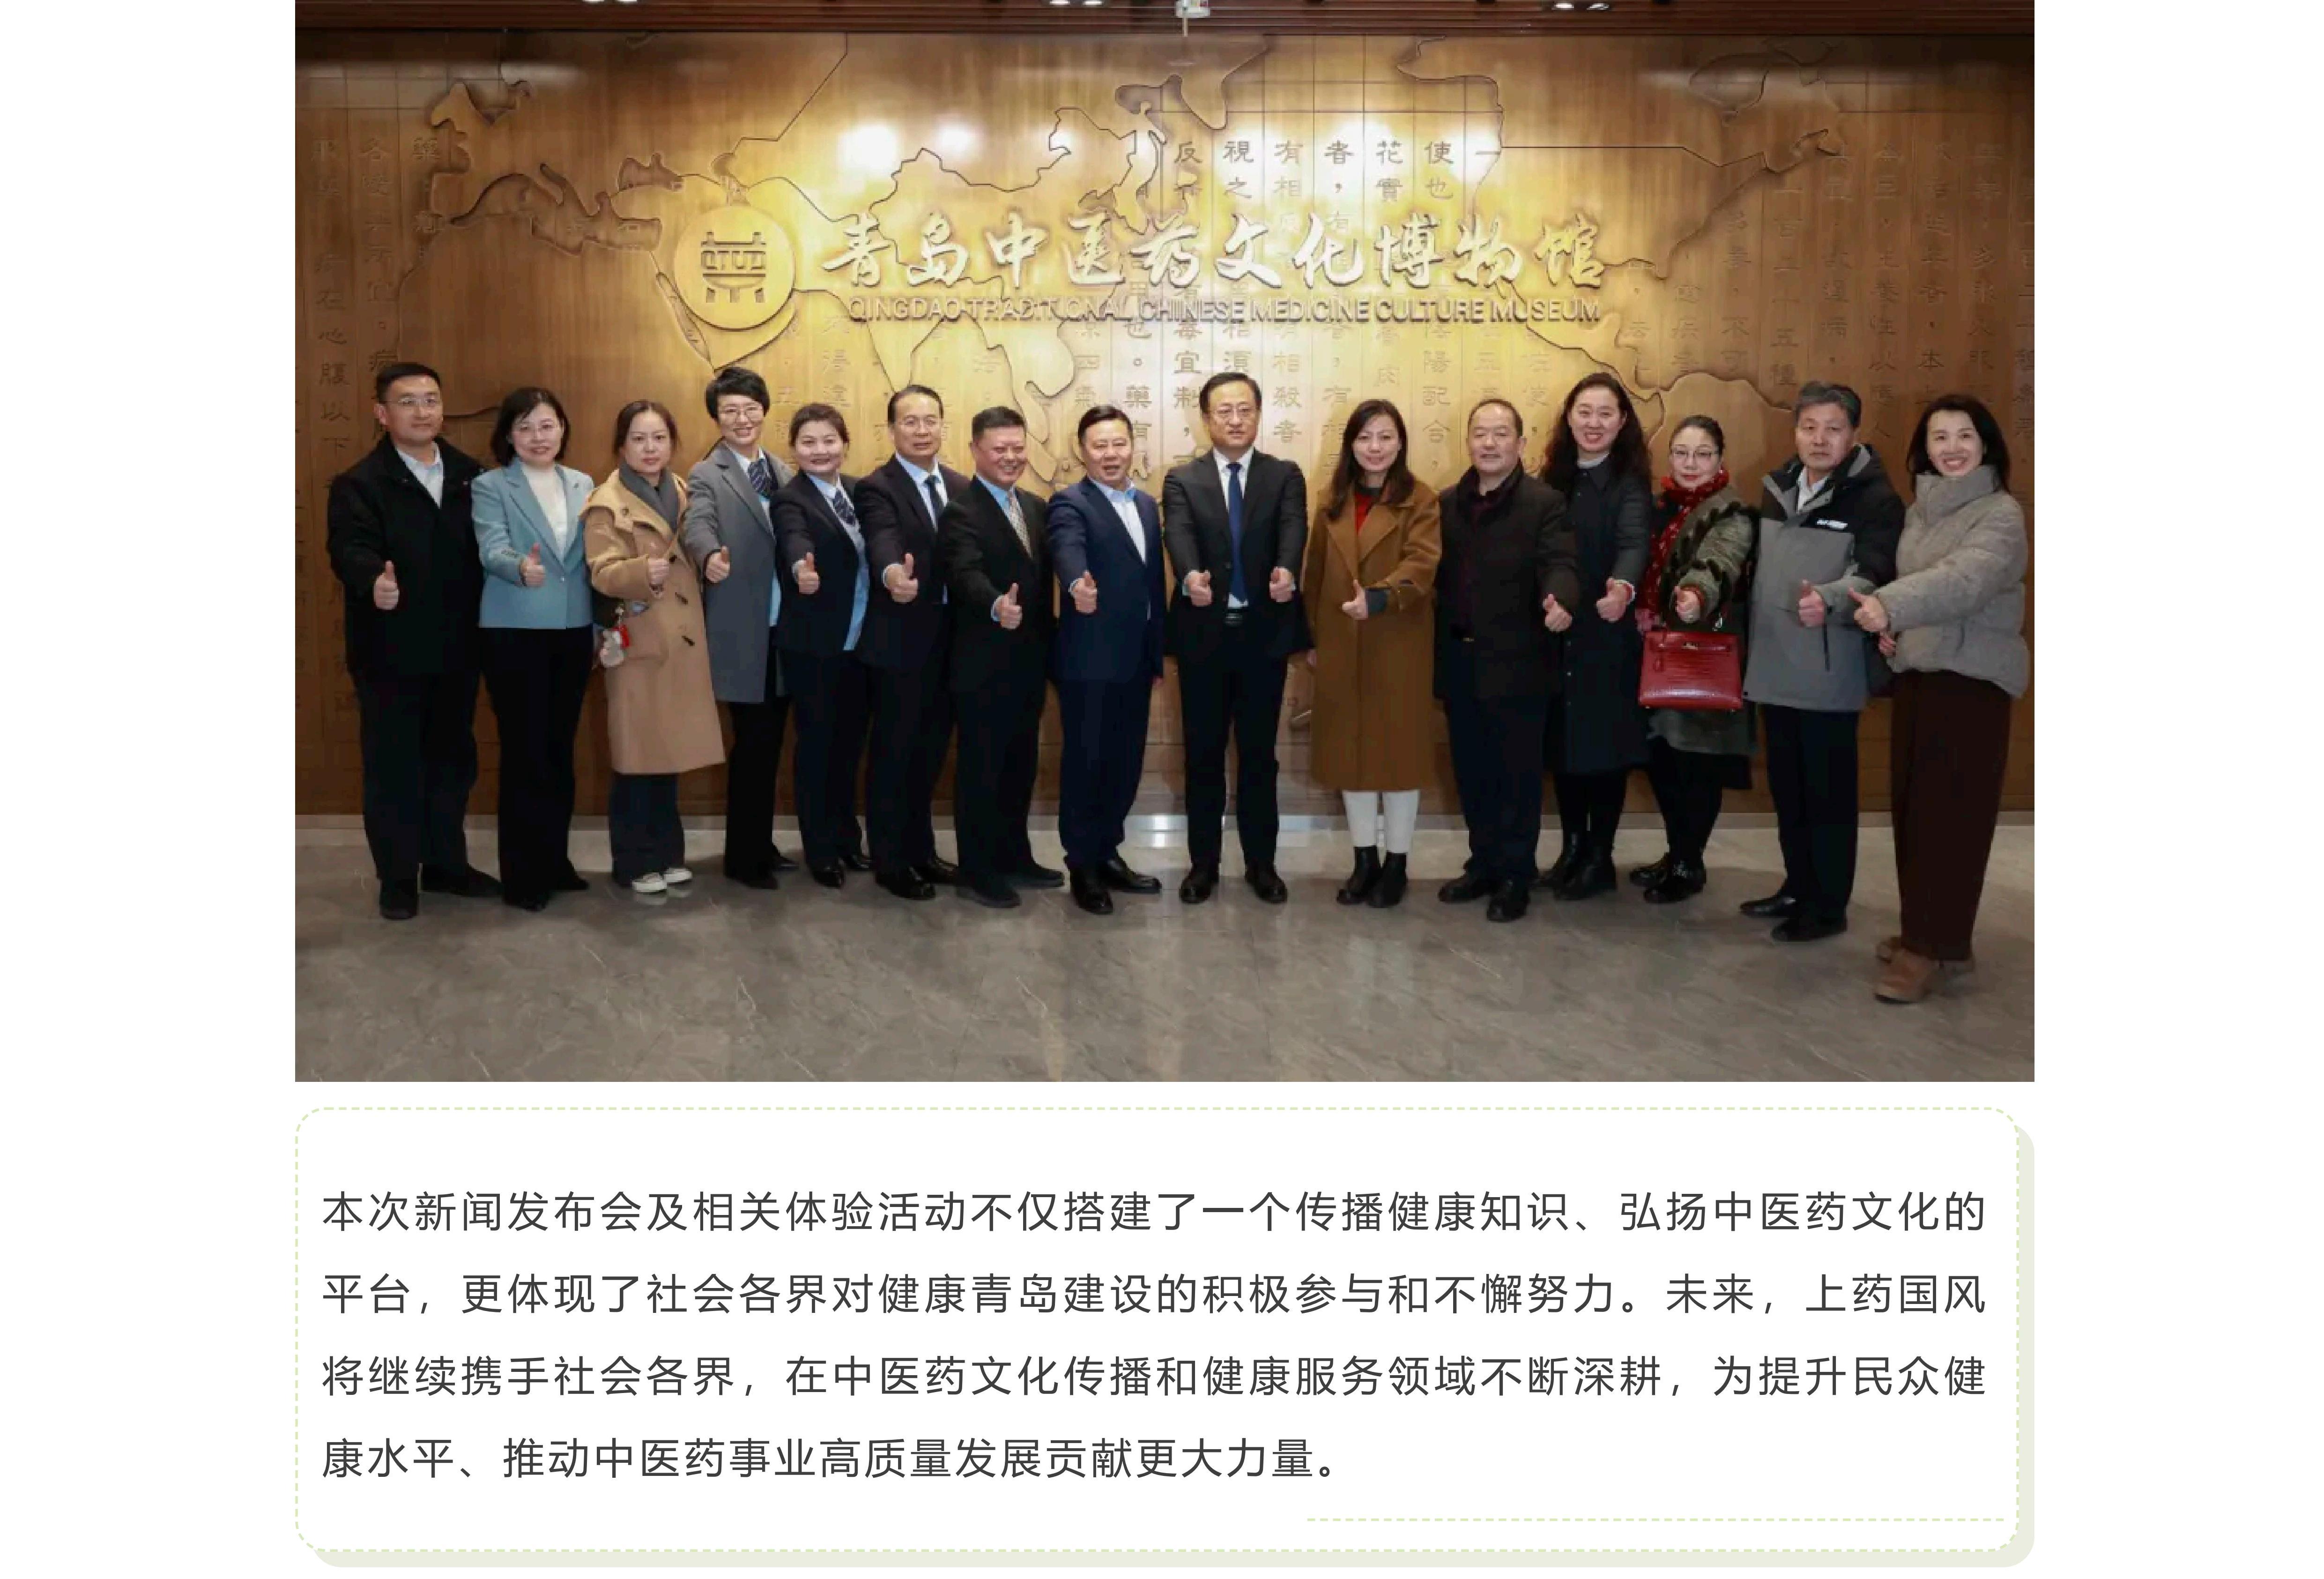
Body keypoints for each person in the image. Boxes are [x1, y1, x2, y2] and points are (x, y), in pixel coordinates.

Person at [1846, 394, 2027, 1002]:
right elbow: (1917, 584)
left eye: (1964, 436)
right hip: (1921, 674)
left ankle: (1930, 948)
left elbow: (1964, 581)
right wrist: (1896, 631)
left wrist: (1890, 606)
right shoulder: (1922, 510)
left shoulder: (2000, 513)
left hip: (1971, 683)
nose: (1951, 448)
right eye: (1939, 437)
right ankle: (1932, 934)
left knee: (1953, 819)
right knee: (1915, 811)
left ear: (1986, 444)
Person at [325, 361, 498, 921]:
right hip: (389, 650)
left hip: (457, 647)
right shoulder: (360, 483)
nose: (422, 411)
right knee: (394, 766)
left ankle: (446, 865)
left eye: (430, 400)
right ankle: (398, 877)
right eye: (407, 401)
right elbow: (348, 548)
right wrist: (371, 580)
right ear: (382, 413)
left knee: (453, 760)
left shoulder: (471, 476)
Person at [1740, 381, 1905, 942]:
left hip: (1829, 667)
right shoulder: (1777, 487)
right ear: (1795, 432)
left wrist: (1831, 599)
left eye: (1833, 429)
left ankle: (1827, 905)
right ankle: (1796, 886)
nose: (1819, 439)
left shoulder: (1874, 499)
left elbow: (1875, 570)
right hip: (1774, 663)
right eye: (1809, 427)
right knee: (1788, 788)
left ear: (1853, 434)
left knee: (1827, 795)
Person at [1162, 373, 1311, 905]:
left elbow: (1294, 527)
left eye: (1244, 409)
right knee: (1203, 755)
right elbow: (1177, 532)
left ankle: (1260, 864)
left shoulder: (1283, 474)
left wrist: (1287, 569)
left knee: (1258, 757)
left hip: (1262, 638)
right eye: (1223, 411)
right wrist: (1189, 575)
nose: (1234, 419)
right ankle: (1203, 865)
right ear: (1206, 419)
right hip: (1203, 638)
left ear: (1258, 414)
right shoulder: (1182, 479)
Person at [1433, 399, 1581, 923]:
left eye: (1500, 433)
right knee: (1471, 773)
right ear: (1468, 441)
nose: (1489, 443)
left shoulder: (1545, 503)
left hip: (1519, 664)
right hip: (1460, 662)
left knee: (1517, 777)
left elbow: (1561, 563)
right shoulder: (1446, 503)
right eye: (1480, 433)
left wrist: (1560, 599)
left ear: (1520, 443)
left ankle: (1516, 874)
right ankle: (1483, 864)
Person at [1299, 399, 1441, 909]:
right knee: (1350, 757)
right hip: (1341, 643)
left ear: (1400, 443)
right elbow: (1315, 573)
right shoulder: (1332, 500)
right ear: (1351, 445)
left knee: (1397, 759)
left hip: (1398, 643)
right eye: (1364, 438)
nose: (1375, 447)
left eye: (1385, 437)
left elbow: (1422, 565)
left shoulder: (1420, 500)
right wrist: (1312, 638)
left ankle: (1396, 864)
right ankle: (1364, 861)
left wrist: (1378, 599)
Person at [584, 400, 726, 894]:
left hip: (681, 641)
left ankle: (668, 855)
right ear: (621, 446)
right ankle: (633, 862)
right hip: (639, 641)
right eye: (639, 439)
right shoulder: (606, 503)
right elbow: (601, 572)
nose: (650, 448)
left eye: (659, 438)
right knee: (635, 757)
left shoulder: (684, 491)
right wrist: (640, 572)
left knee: (667, 755)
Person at [471, 386, 597, 911]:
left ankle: (555, 861)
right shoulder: (491, 485)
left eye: (547, 425)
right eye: (524, 427)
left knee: (559, 751)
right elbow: (491, 547)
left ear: (563, 428)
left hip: (573, 630)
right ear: (508, 435)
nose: (537, 437)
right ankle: (523, 876)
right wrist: (518, 567)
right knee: (525, 754)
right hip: (515, 631)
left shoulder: (583, 483)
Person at [1630, 415, 1758, 905]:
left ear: (1720, 459)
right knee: (1664, 760)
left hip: (1702, 656)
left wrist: (1694, 595)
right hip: (1660, 655)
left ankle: (1689, 863)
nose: (1690, 463)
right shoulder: (1661, 507)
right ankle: (1676, 852)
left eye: (1702, 454)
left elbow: (1718, 560)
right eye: (1681, 453)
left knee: (1696, 765)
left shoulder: (1730, 511)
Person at [1047, 405, 1168, 915]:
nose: (1111, 454)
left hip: (1136, 660)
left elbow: (1150, 582)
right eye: (1099, 445)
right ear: (1083, 451)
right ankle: (1082, 865)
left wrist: (1156, 653)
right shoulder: (1069, 502)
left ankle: (1107, 851)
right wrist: (1077, 582)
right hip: (1089, 660)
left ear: (1132, 447)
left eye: (1119, 443)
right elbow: (1066, 547)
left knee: (1124, 762)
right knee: (1087, 762)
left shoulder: (1146, 504)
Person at [679, 365, 797, 891]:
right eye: (730, 411)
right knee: (752, 747)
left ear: (764, 411)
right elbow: (697, 522)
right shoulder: (709, 472)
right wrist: (708, 557)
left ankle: (760, 844)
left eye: (750, 409)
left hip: (784, 630)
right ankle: (743, 858)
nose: (742, 419)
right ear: (716, 418)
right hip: (743, 631)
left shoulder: (783, 470)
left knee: (770, 747)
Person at [938, 407, 1059, 909]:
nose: (1010, 457)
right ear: (975, 451)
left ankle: (1014, 856)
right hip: (982, 664)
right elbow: (963, 573)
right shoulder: (960, 511)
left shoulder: (1034, 506)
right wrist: (994, 604)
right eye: (999, 449)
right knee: (981, 769)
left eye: (1017, 448)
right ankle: (978, 870)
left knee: (1019, 766)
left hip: (1029, 663)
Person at [852, 385, 970, 900]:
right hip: (900, 642)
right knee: (894, 754)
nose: (921, 431)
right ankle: (891, 861)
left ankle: (922, 851)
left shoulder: (962, 485)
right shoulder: (877, 488)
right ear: (892, 430)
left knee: (930, 754)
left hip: (952, 643)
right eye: (910, 422)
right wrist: (891, 575)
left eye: (930, 420)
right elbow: (882, 540)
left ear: (942, 425)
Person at [1537, 372, 1651, 901]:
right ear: (1568, 417)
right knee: (1564, 748)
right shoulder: (1552, 479)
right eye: (1584, 411)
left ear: (1622, 421)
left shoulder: (1628, 482)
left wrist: (1623, 586)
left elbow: (1633, 542)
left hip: (1605, 632)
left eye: (1605, 413)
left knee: (1603, 751)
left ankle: (1599, 857)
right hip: (1557, 632)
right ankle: (1572, 848)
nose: (1593, 423)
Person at [771, 403, 875, 889]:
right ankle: (820, 849)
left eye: (829, 440)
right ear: (794, 449)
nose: (820, 451)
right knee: (817, 747)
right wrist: (801, 569)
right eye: (808, 442)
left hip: (861, 643)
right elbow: (793, 540)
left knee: (850, 747)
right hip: (815, 645)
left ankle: (847, 838)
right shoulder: (790, 499)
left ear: (845, 444)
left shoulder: (859, 491)